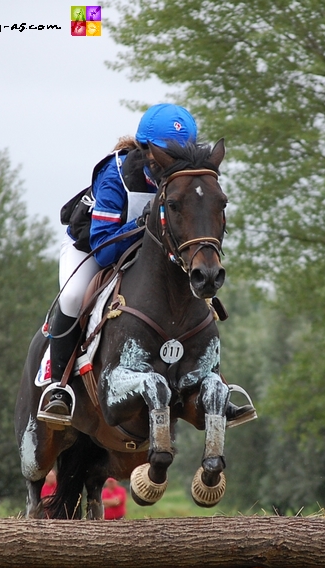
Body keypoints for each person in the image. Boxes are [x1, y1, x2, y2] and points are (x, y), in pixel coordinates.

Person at [37, 103, 255, 429]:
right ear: (146, 150)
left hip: (154, 257)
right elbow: (103, 246)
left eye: (179, 154)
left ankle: (214, 383)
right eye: (164, 155)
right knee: (71, 297)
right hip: (96, 248)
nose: (171, 163)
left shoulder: (185, 178)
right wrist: (145, 222)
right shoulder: (117, 174)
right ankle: (59, 387)